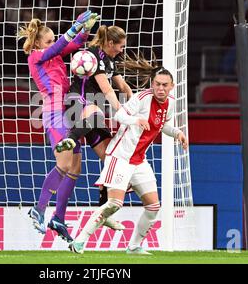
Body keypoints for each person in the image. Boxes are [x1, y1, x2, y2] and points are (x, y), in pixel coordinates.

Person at [69, 57, 188, 255]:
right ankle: (79, 241)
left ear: (172, 86)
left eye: (165, 85)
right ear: (152, 84)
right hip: (120, 157)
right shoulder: (142, 98)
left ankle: (133, 247)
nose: (160, 88)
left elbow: (162, 125)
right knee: (114, 204)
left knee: (153, 206)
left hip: (139, 160)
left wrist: (177, 133)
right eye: (157, 84)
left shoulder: (171, 104)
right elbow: (119, 115)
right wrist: (136, 120)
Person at [19, 10, 104, 242]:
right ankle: (39, 208)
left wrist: (85, 29)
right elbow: (58, 47)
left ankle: (58, 217)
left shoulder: (53, 55)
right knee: (64, 164)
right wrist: (74, 26)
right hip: (54, 113)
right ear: (38, 43)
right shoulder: (37, 56)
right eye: (49, 40)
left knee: (75, 167)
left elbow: (73, 44)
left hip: (68, 111)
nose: (53, 43)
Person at [56, 25, 133, 228]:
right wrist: (123, 113)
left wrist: (136, 106)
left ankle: (103, 212)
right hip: (78, 101)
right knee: (96, 112)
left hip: (92, 108)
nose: (122, 50)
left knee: (111, 157)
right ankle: (70, 138)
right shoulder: (92, 55)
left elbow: (122, 86)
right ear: (110, 43)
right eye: (120, 46)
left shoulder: (110, 59)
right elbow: (107, 89)